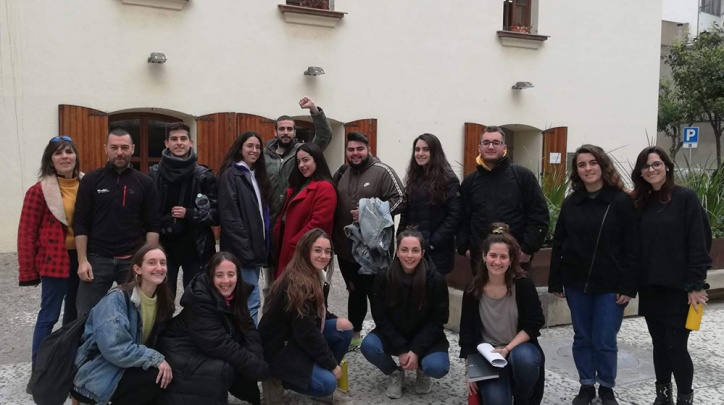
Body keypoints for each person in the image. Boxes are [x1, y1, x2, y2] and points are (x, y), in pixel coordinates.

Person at [548, 144, 640, 405]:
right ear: (577, 170)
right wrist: (556, 280)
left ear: (602, 165)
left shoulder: (620, 201)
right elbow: (559, 242)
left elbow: (633, 247)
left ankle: (607, 387)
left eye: (592, 163)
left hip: (610, 286)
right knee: (582, 338)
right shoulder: (571, 202)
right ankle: (586, 385)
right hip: (576, 284)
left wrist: (628, 286)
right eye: (581, 164)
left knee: (604, 339)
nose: (587, 168)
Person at [631, 146, 711, 405]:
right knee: (659, 345)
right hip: (650, 287)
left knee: (676, 346)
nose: (651, 169)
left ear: (667, 166)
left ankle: (685, 398)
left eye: (656, 164)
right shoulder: (640, 203)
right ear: (640, 173)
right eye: (645, 166)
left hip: (680, 289)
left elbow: (699, 242)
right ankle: (662, 397)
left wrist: (696, 284)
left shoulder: (685, 198)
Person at [158, 252, 269, 405]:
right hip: (179, 349)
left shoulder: (237, 293)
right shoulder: (200, 299)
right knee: (220, 369)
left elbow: (248, 327)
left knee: (242, 359)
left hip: (202, 344)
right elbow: (219, 343)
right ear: (211, 276)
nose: (226, 280)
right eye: (219, 275)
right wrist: (256, 366)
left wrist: (257, 358)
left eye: (231, 274)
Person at [258, 229, 354, 404]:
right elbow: (307, 332)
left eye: (328, 251)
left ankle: (310, 371)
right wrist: (332, 365)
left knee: (344, 327)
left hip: (295, 337)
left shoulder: (315, 274)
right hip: (279, 348)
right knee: (328, 382)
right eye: (317, 250)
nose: (324, 256)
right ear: (305, 250)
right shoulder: (298, 282)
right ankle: (276, 377)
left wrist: (337, 321)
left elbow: (316, 315)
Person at [72, 244, 175, 405]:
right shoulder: (117, 299)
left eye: (163, 263)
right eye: (152, 262)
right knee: (156, 378)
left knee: (172, 374)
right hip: (96, 375)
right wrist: (156, 359)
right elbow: (116, 349)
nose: (159, 268)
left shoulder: (162, 301)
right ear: (137, 269)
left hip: (127, 366)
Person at [73, 128, 160, 317]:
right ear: (106, 148)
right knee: (86, 315)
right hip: (97, 261)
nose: (119, 152)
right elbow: (80, 222)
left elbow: (153, 225)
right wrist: (82, 261)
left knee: (137, 314)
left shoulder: (145, 183)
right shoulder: (91, 180)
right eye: (114, 147)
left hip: (132, 262)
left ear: (133, 149)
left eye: (124, 147)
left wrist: (149, 261)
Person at [459, 223, 545, 405]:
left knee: (524, 360)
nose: (497, 262)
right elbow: (467, 334)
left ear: (511, 259)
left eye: (503, 257)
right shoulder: (472, 290)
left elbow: (534, 323)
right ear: (484, 256)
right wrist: (470, 370)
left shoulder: (523, 285)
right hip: (488, 355)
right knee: (497, 401)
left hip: (518, 348)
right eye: (493, 255)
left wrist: (506, 350)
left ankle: (522, 398)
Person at [333, 131, 405, 348]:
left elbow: (401, 199)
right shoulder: (343, 172)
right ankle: (355, 336)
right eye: (351, 149)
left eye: (360, 149)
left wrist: (368, 212)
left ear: (369, 150)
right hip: (346, 249)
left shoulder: (382, 171)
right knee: (354, 292)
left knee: (378, 295)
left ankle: (385, 337)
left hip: (375, 251)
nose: (355, 153)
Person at [17, 136, 82, 374]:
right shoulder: (38, 191)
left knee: (74, 315)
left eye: (69, 151)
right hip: (54, 261)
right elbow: (26, 232)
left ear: (75, 156)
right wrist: (28, 271)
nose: (65, 156)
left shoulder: (87, 184)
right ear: (50, 160)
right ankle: (40, 370)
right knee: (49, 316)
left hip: (82, 260)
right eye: (58, 153)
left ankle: (67, 365)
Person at [361, 230, 450, 399]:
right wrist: (402, 349)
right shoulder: (384, 276)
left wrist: (416, 350)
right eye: (404, 250)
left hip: (426, 338)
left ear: (422, 253)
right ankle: (395, 373)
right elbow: (380, 317)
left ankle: (422, 370)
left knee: (437, 367)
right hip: (394, 334)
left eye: (415, 250)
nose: (409, 255)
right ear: (397, 252)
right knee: (368, 346)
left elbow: (438, 320)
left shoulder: (436, 280)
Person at [263, 96, 333, 300]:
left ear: (295, 132)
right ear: (275, 132)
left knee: (297, 282)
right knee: (273, 280)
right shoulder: (264, 155)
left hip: (296, 227)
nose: (286, 132)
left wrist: (314, 111)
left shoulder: (302, 152)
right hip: (272, 224)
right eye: (282, 129)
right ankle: (272, 313)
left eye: (289, 129)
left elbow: (325, 135)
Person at [457, 126, 549, 274]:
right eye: (486, 143)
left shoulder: (522, 176)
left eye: (496, 143)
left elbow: (539, 215)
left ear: (504, 147)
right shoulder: (470, 182)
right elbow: (462, 218)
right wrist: (465, 248)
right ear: (479, 148)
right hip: (480, 258)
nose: (490, 147)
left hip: (516, 258)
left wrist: (527, 249)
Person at [149, 122, 217, 298]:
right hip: (163, 247)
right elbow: (146, 211)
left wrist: (190, 213)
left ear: (190, 142)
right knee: (162, 299)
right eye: (174, 139)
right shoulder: (154, 174)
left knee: (197, 298)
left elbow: (216, 214)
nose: (179, 143)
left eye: (183, 139)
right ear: (167, 143)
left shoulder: (204, 175)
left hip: (196, 247)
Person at [217, 131, 273, 325]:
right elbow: (230, 218)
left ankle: (243, 338)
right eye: (250, 146)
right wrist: (246, 251)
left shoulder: (255, 175)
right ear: (240, 148)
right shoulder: (232, 174)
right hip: (242, 252)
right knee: (251, 301)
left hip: (253, 251)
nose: (254, 150)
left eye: (258, 147)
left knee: (245, 300)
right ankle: (250, 340)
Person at [398, 133, 461, 275]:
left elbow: (454, 216)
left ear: (435, 152)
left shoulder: (448, 179)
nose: (420, 153)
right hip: (413, 248)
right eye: (417, 149)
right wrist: (401, 237)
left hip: (437, 252)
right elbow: (406, 212)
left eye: (426, 149)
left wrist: (432, 243)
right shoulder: (414, 177)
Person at [273, 142, 337, 278]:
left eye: (305, 160)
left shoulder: (325, 188)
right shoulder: (298, 185)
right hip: (286, 247)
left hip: (303, 251)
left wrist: (295, 242)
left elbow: (319, 223)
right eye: (298, 162)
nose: (301, 165)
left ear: (317, 160)